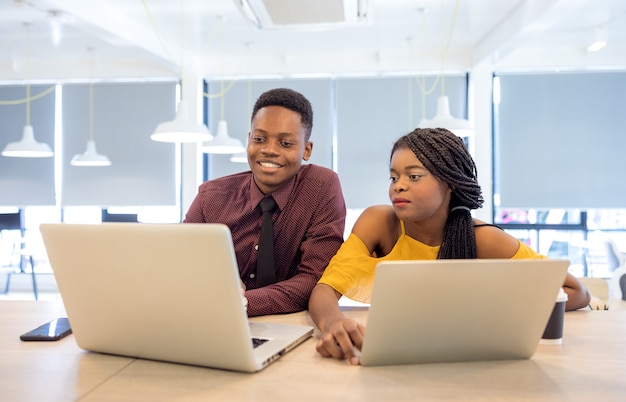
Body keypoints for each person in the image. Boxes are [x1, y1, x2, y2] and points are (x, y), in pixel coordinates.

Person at [309, 127, 591, 365]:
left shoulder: (483, 238)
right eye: (393, 177)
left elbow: (575, 291)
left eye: (414, 176)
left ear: (450, 183)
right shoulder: (379, 222)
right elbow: (324, 289)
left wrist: (495, 311)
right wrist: (333, 324)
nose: (398, 186)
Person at [184, 88, 346, 317]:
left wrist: (241, 302)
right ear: (249, 140)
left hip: (287, 325)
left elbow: (314, 279)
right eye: (259, 139)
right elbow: (182, 266)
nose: (269, 150)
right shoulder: (210, 196)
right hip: (211, 319)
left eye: (286, 143)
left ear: (306, 150)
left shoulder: (321, 187)